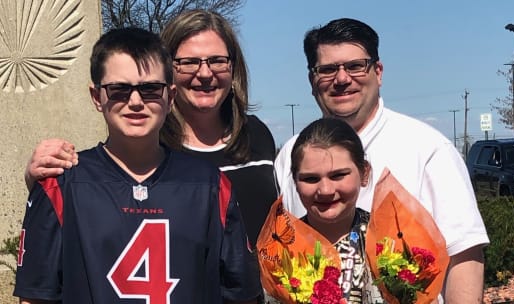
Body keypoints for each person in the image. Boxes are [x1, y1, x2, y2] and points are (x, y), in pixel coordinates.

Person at [14, 27, 260, 303]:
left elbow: (242, 295)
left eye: (150, 89)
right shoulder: (60, 185)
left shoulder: (210, 186)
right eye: (118, 89)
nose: (135, 102)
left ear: (170, 96)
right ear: (97, 97)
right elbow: (35, 297)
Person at [274, 18, 489, 303]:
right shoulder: (290, 154)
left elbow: (465, 254)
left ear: (378, 71)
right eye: (327, 70)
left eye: (355, 66)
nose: (341, 79)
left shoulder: (427, 148)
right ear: (312, 80)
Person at [23, 9, 278, 246]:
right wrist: (36, 178)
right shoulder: (146, 142)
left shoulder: (256, 134)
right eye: (188, 62)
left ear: (233, 67)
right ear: (167, 75)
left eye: (217, 60)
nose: (204, 73)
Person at [290, 118, 382, 303]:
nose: (326, 190)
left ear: (364, 173)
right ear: (294, 181)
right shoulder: (281, 248)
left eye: (338, 175)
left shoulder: (391, 240)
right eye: (310, 178)